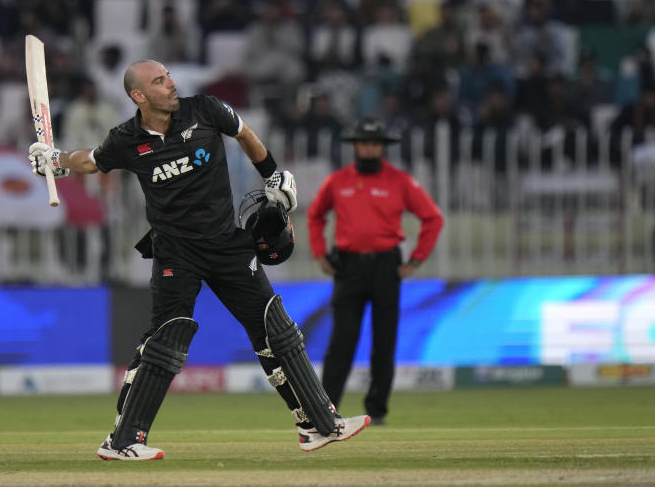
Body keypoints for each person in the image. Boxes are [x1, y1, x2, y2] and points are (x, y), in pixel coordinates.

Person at [28, 59, 370, 461]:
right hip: (176, 251)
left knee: (275, 328)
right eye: (159, 81)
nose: (171, 84)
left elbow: (245, 134)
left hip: (228, 243)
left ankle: (318, 425)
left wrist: (273, 174)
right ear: (139, 96)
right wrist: (57, 160)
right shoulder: (127, 139)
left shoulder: (205, 109)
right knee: (167, 339)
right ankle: (123, 441)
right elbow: (92, 160)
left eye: (169, 76)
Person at [307, 119, 444, 425]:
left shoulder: (400, 182)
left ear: (382, 147)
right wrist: (319, 252)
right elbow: (315, 216)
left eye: (375, 143)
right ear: (354, 145)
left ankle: (377, 410)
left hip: (386, 266)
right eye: (364, 143)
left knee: (384, 341)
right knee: (341, 343)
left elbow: (433, 219)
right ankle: (325, 412)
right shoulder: (337, 181)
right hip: (348, 266)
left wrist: (417, 260)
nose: (369, 148)